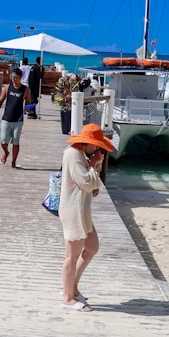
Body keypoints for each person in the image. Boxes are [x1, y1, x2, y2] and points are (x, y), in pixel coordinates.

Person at [59, 123, 114, 311]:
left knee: (92, 247)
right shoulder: (73, 154)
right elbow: (85, 181)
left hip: (81, 209)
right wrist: (93, 166)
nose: (98, 148)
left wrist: (93, 172)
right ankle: (67, 297)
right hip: (73, 210)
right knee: (71, 256)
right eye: (96, 145)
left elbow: (89, 183)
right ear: (86, 142)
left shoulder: (80, 153)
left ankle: (72, 288)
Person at [0, 67, 31, 168]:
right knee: (3, 141)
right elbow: (0, 101)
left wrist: (29, 109)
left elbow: (28, 103)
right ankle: (6, 152)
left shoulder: (25, 90)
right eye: (11, 77)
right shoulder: (8, 87)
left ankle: (14, 161)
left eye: (15, 77)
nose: (13, 79)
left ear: (21, 77)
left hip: (18, 120)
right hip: (6, 119)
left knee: (16, 142)